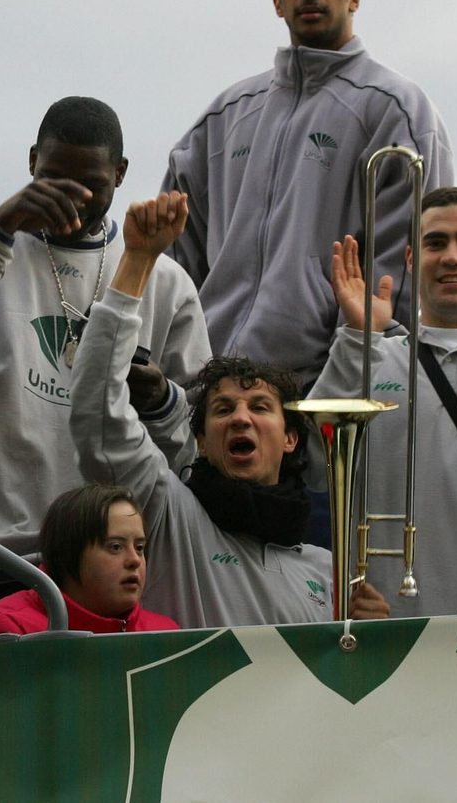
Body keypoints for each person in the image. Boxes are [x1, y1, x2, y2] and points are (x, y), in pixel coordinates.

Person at [0, 97, 210, 641]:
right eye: (54, 178)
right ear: (32, 160)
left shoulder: (163, 280)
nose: (72, 198)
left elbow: (197, 447)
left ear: (121, 174)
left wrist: (161, 399)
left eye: (92, 183)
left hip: (94, 575)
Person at [71, 192, 390, 627]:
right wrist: (138, 262)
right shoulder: (168, 514)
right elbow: (97, 413)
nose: (241, 418)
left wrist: (369, 631)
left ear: (292, 437)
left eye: (261, 407)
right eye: (222, 410)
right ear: (200, 440)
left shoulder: (327, 572)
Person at [161, 0, 454, 386]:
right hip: (211, 395)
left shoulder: (395, 109)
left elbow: (398, 275)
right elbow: (172, 263)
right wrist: (182, 376)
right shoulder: (224, 117)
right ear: (277, 1)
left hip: (322, 395)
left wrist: (342, 383)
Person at [308, 187, 457, 616]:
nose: (453, 256)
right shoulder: (370, 355)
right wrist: (358, 337)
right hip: (382, 631)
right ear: (412, 259)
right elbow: (311, 463)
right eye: (435, 243)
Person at [0, 485, 179, 639]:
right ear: (67, 555)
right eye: (115, 547)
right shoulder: (6, 631)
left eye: (139, 548)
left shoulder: (165, 633)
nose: (134, 560)